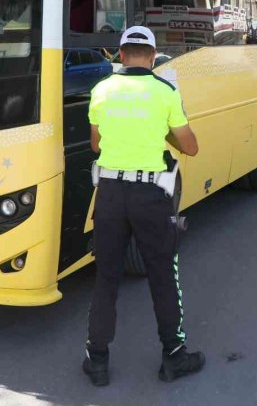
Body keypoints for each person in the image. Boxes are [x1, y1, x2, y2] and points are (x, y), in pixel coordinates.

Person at [83, 26, 203, 387]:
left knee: (106, 276)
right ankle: (174, 357)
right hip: (151, 196)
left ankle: (98, 361)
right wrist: (161, 131)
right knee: (163, 273)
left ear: (121, 55)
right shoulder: (165, 92)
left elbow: (96, 144)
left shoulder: (101, 90)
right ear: (153, 58)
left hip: (109, 193)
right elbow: (191, 147)